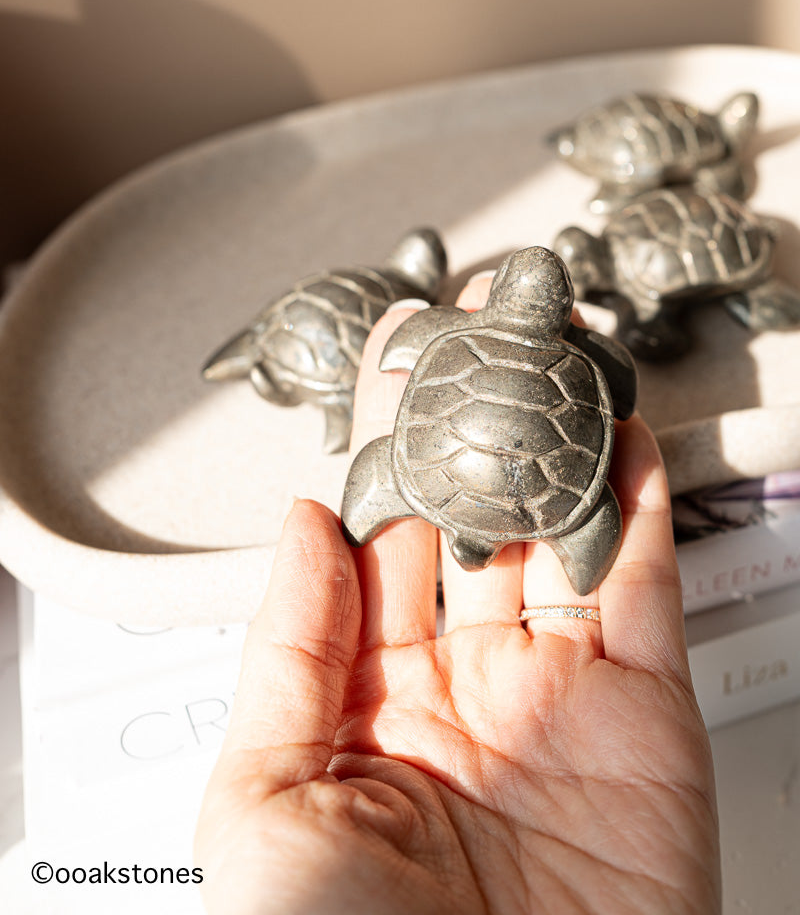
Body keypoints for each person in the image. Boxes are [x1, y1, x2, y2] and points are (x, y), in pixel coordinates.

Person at [195, 276, 722, 914]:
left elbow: (403, 347)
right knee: (595, 520)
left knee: (382, 468)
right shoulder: (593, 358)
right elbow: (623, 396)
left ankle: (409, 497)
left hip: (429, 479)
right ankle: (578, 533)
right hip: (547, 503)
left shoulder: (444, 332)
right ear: (562, 311)